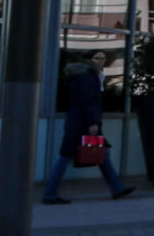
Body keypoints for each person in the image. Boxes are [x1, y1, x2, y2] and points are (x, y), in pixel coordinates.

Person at [42, 52, 132, 204]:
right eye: (97, 58)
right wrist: (93, 122)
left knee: (102, 155)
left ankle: (117, 188)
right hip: (82, 124)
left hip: (77, 122)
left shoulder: (81, 76)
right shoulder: (89, 77)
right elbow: (88, 102)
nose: (101, 61)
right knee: (67, 157)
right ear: (89, 60)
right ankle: (49, 193)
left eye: (103, 58)